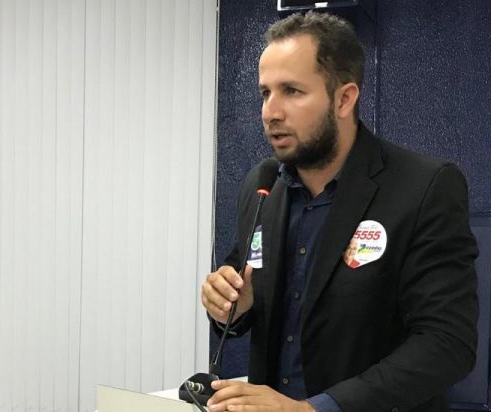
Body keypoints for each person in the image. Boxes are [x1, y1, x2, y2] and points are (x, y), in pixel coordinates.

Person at [201, 11, 478, 412]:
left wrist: (317, 409)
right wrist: (229, 307)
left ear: (344, 98)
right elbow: (243, 287)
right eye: (265, 93)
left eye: (291, 91)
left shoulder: (423, 187)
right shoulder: (262, 186)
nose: (270, 112)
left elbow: (447, 344)